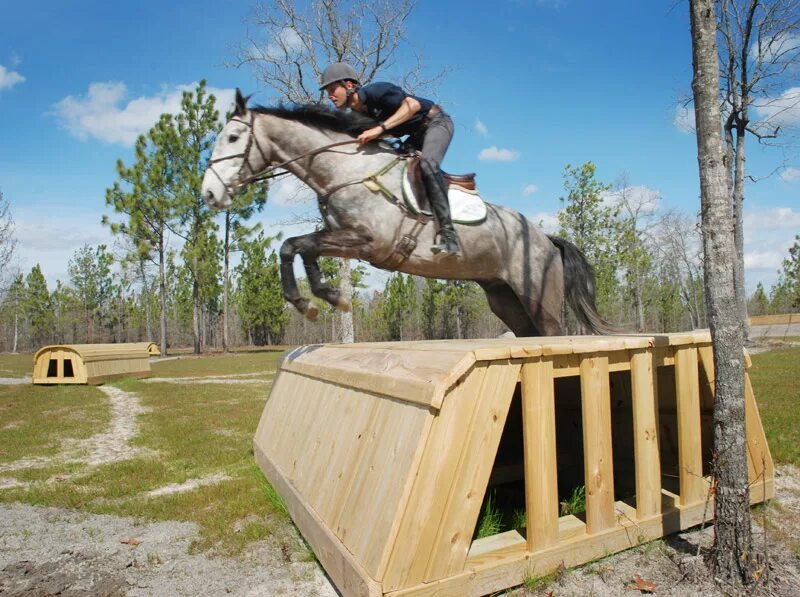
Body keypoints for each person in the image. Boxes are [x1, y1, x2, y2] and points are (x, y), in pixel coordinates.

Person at [319, 62, 460, 256]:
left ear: (349, 85)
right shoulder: (356, 115)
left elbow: (413, 105)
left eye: (332, 89)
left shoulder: (377, 91)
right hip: (415, 137)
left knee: (428, 165)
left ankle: (449, 234)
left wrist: (379, 130)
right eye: (327, 91)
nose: (330, 96)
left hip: (436, 123)